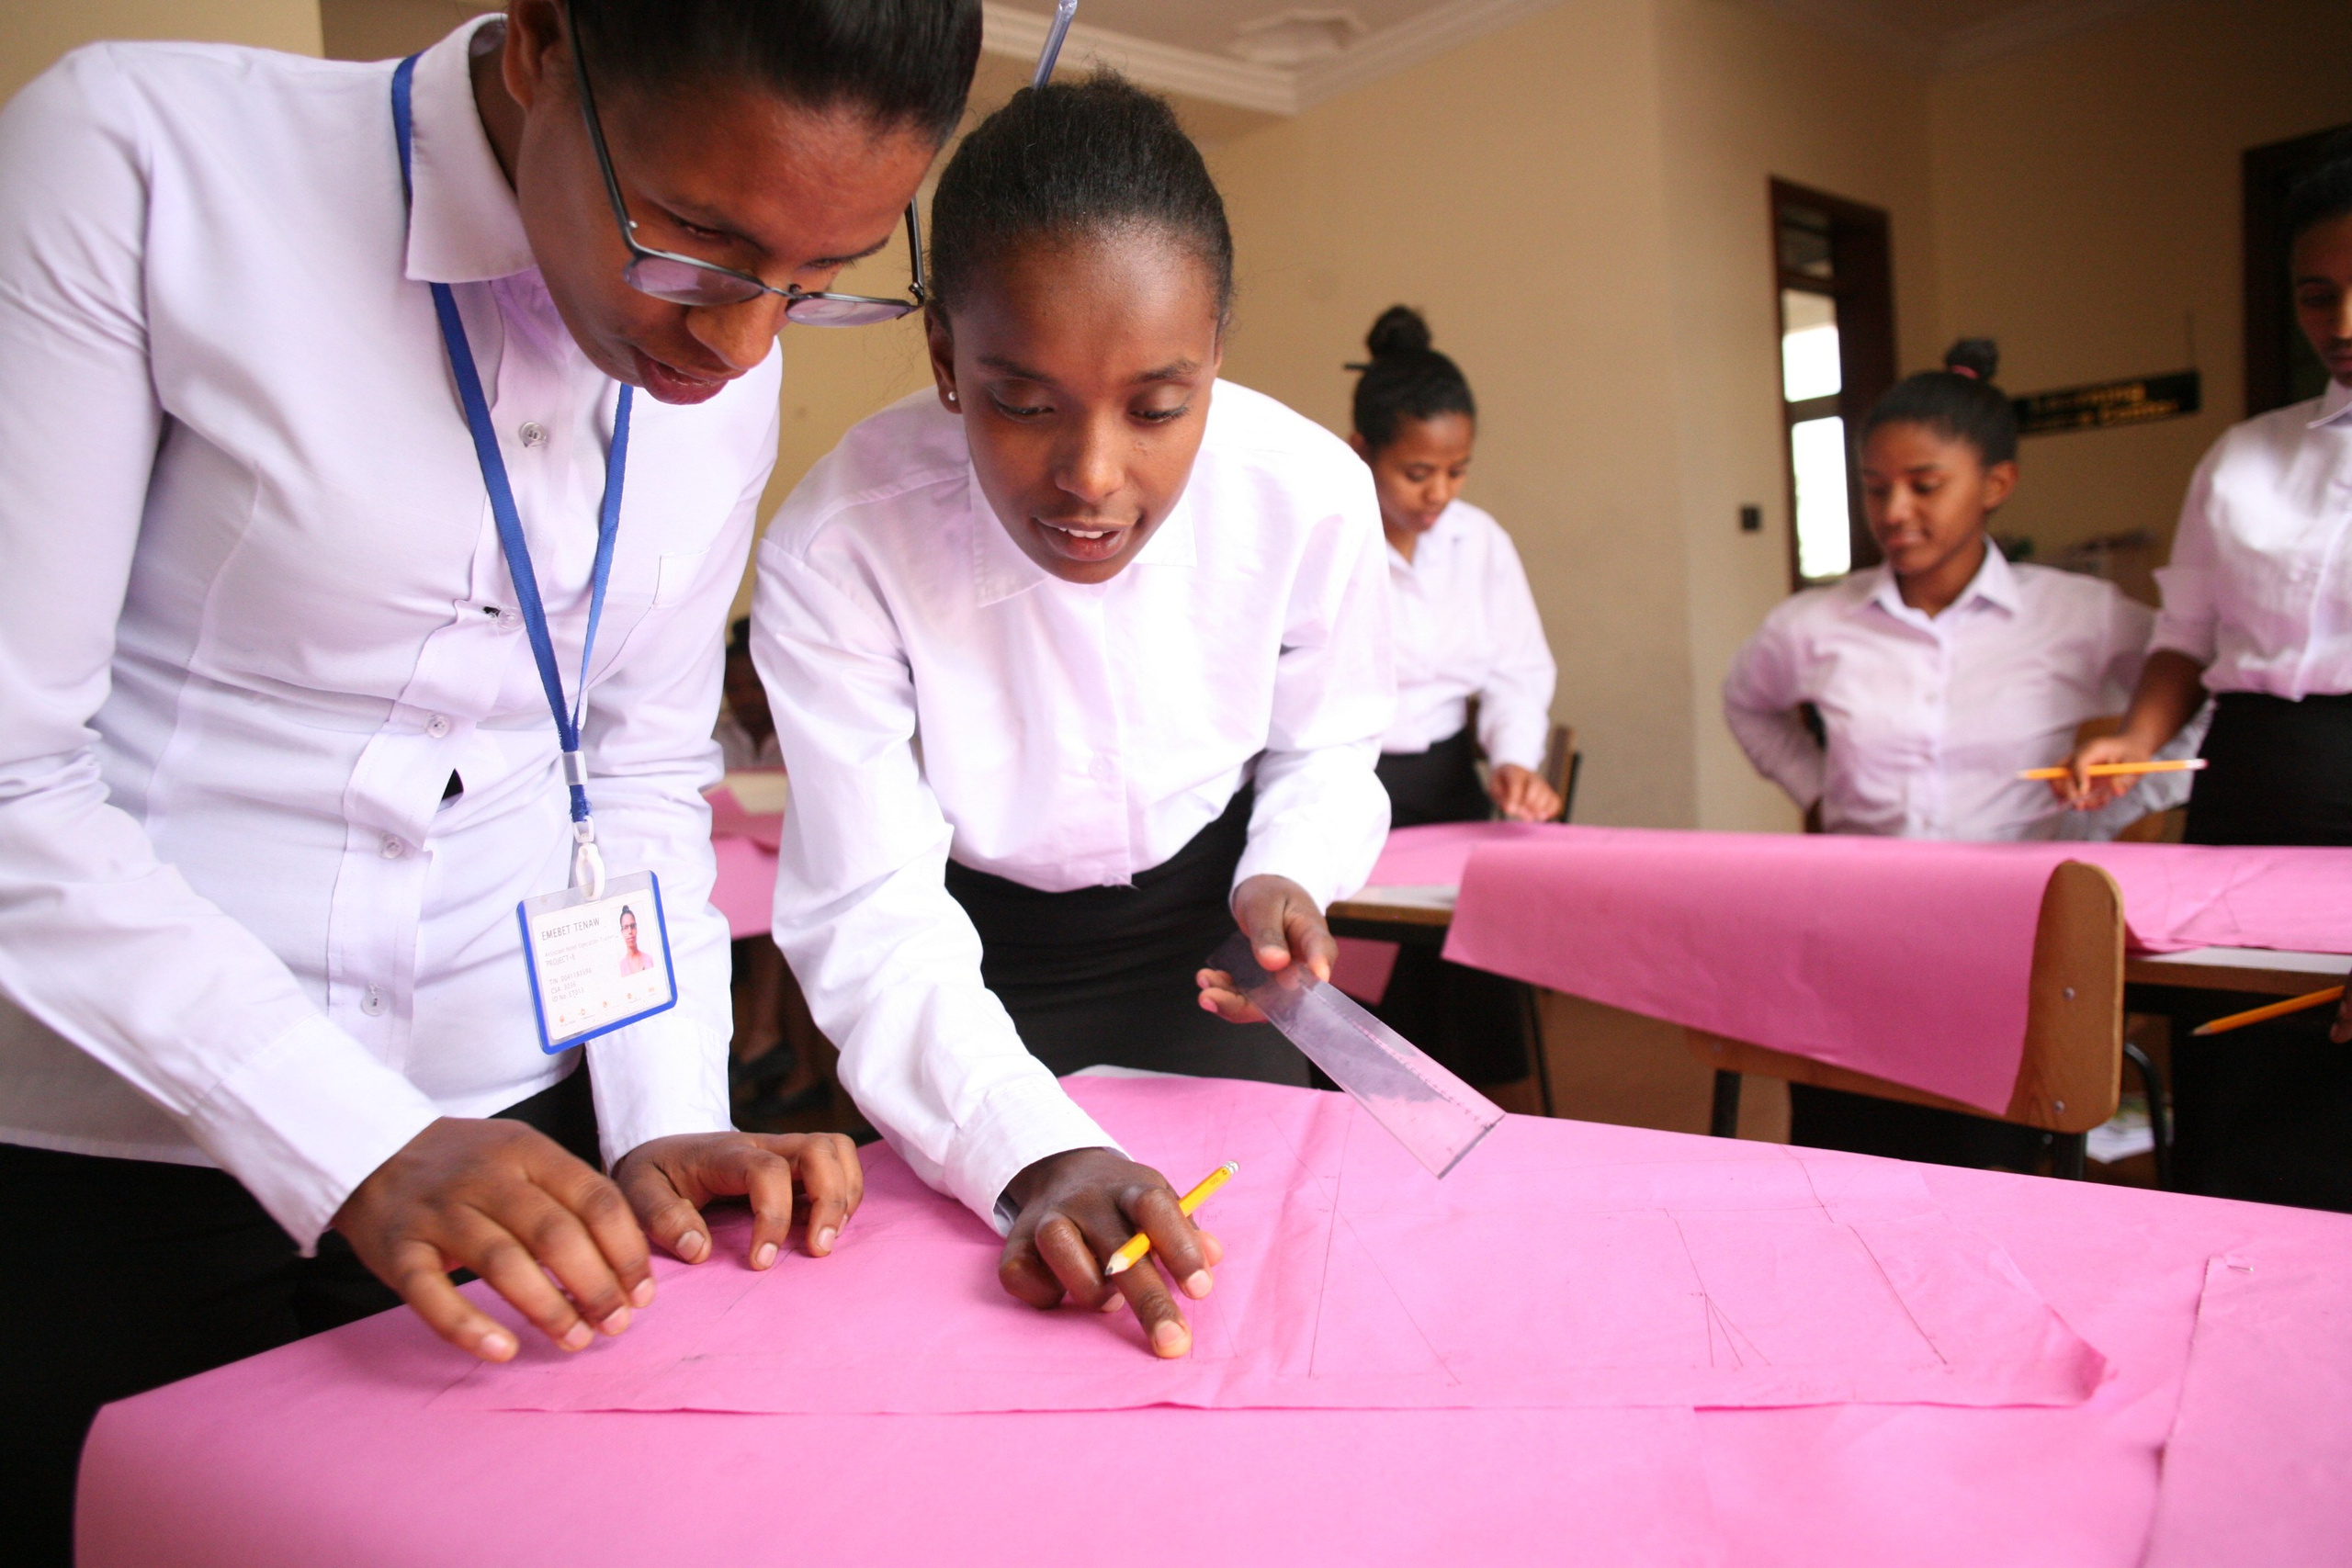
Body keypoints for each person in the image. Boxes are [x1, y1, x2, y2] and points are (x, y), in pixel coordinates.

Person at [0, 2, 978, 1554]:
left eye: (814, 286)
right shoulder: (140, 163)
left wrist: (658, 1114)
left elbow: (642, 763)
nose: (736, 345)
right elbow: (13, 777)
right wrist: (350, 1134)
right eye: (700, 244)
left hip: (523, 1147)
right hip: (127, 1160)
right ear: (540, 46)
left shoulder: (728, 350)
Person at [751, 74, 1392, 1361]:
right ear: (945, 359)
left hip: (1214, 962)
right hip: (966, 974)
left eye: (1159, 408)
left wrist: (1290, 868)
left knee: (1242, 1324)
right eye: (1023, 402)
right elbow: (875, 912)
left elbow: (1330, 737)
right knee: (976, 1354)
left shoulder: (1310, 493)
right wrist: (1024, 1146)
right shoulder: (839, 549)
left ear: (1215, 356)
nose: (1093, 477)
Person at [1724, 339, 2189, 1167]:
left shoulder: (2080, 616)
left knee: (2002, 1163)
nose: (1895, 511)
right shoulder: (1814, 624)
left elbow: (2193, 689)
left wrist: (2114, 805)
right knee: (1856, 1161)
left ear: (1997, 485)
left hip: (2017, 943)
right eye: (1875, 489)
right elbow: (1748, 704)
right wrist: (1821, 788)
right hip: (1858, 939)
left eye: (1924, 486)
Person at [2060, 156, 2352, 1208]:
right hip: (2250, 785)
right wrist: (2130, 735)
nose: (2342, 319)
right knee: (2239, 1072)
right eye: (2316, 293)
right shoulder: (2242, 457)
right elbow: (2186, 637)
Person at [1346, 305, 1557, 1085]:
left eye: (1457, 470)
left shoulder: (1480, 542)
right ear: (1360, 450)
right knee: (1363, 1013)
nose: (1440, 492)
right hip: (1347, 785)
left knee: (1464, 991)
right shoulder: (1330, 538)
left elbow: (1517, 670)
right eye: (1416, 471)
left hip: (1445, 783)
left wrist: (1513, 759)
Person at [717, 618, 786, 770]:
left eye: (756, 686)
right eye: (734, 688)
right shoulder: (714, 735)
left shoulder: (798, 733)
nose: (747, 698)